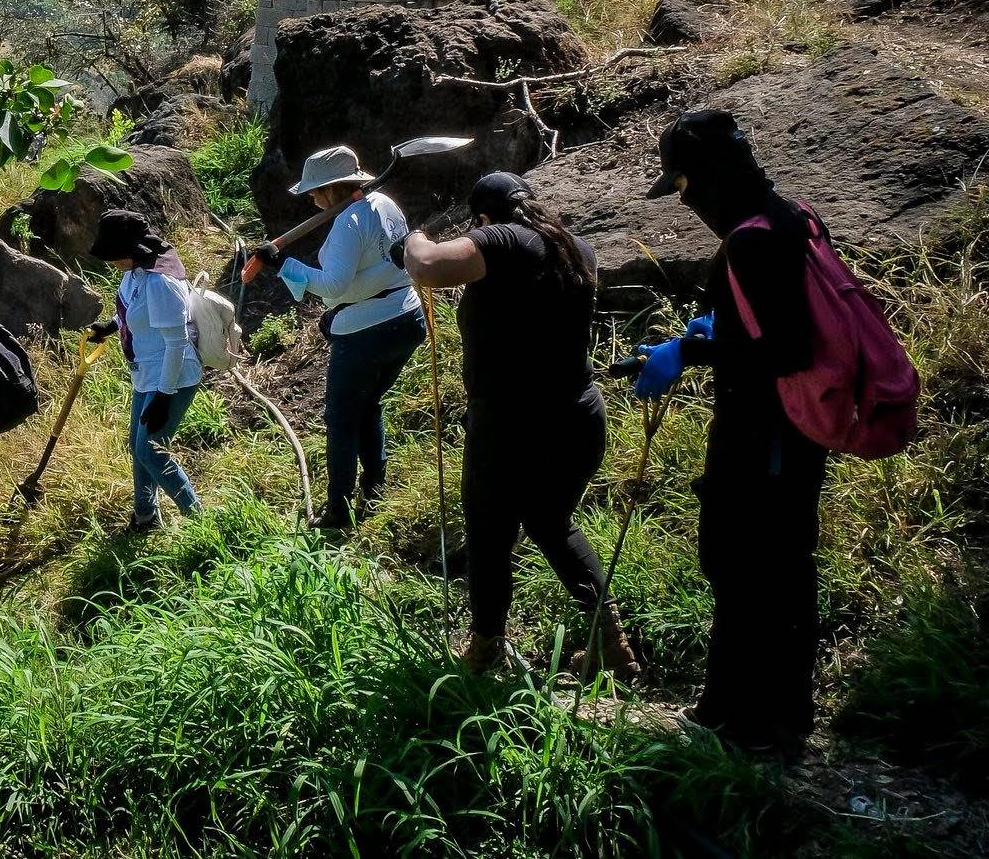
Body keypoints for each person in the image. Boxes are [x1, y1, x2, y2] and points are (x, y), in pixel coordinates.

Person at [631, 110, 825, 754]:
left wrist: (689, 354)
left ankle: (744, 725)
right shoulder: (790, 216)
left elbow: (790, 347)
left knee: (743, 565)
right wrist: (704, 335)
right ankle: (773, 710)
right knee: (785, 565)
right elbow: (768, 327)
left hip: (764, 432)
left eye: (681, 186)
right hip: (796, 429)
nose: (683, 203)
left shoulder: (752, 240)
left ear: (707, 177)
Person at [400, 172, 638, 679]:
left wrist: (414, 237)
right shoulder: (577, 249)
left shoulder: (505, 239)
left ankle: (486, 648)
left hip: (511, 425)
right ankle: (610, 641)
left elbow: (428, 266)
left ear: (484, 217)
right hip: (576, 414)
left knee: (489, 533)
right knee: (551, 521)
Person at [254, 146, 425, 530]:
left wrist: (285, 263)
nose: (312, 198)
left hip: (368, 332)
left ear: (333, 189)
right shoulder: (384, 202)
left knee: (342, 419)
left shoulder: (349, 221)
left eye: (315, 192)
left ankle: (338, 512)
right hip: (407, 318)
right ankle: (375, 486)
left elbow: (333, 285)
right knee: (368, 404)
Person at [88, 211, 204, 536]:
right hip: (147, 373)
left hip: (173, 376)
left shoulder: (160, 282)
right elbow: (131, 308)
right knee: (137, 446)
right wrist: (110, 327)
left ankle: (201, 521)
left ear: (132, 250)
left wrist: (164, 398)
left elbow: (177, 344)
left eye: (114, 256)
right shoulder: (136, 272)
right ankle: (145, 517)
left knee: (151, 450)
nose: (111, 263)